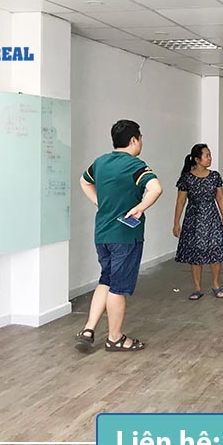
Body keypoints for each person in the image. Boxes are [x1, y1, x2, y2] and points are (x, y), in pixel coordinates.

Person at [75, 119, 163, 352]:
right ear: (134, 140)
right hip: (125, 235)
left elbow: (84, 181)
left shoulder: (100, 162)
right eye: (140, 138)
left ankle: (88, 329)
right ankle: (115, 338)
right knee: (118, 288)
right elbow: (156, 188)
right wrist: (140, 207)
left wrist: (99, 202)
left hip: (102, 233)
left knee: (106, 279)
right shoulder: (135, 165)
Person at [173, 143, 223, 300]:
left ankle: (216, 285)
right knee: (195, 253)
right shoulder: (187, 178)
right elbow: (180, 201)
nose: (210, 158)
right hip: (194, 219)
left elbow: (220, 198)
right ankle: (197, 288)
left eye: (210, 155)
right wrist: (176, 222)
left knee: (215, 251)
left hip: (212, 218)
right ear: (197, 159)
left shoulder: (215, 176)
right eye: (207, 155)